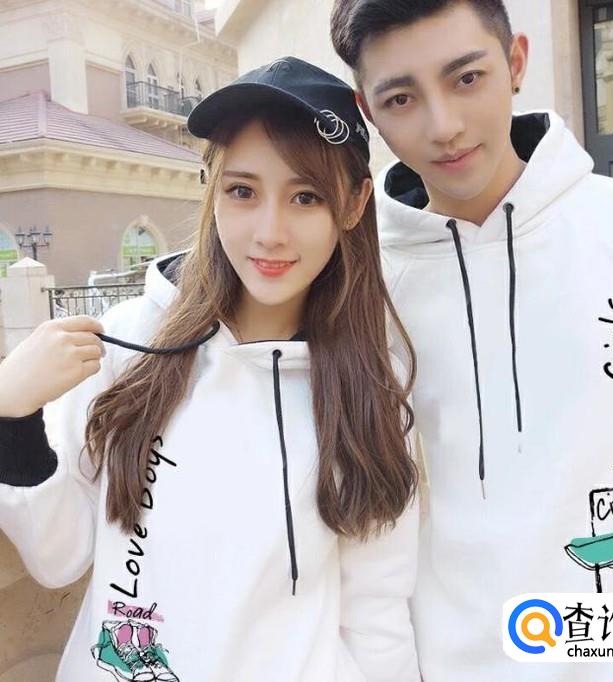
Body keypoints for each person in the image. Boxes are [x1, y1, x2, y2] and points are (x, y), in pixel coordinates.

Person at [0, 57, 421, 682]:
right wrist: (12, 415)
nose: (269, 232)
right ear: (212, 187)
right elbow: (58, 556)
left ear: (356, 203)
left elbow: (376, 616)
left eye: (305, 197)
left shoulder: (370, 391)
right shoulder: (131, 339)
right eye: (242, 191)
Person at [330, 1, 613, 679]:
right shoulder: (362, 286)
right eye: (402, 98)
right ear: (367, 111)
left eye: (467, 78)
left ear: (516, 62)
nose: (444, 125)